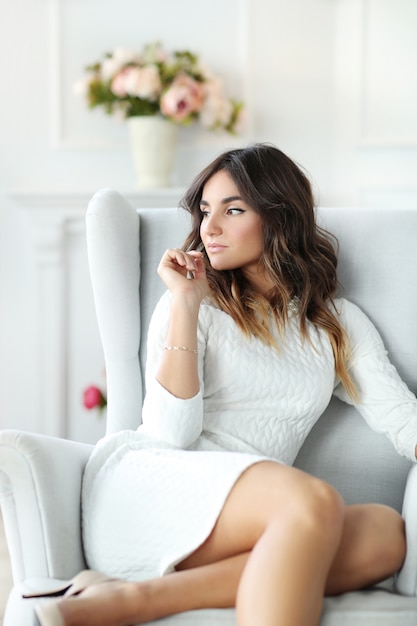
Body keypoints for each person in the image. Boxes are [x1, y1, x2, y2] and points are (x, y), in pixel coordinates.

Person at [35, 144, 417, 626]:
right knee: (310, 500)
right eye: (204, 211)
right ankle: (131, 596)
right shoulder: (191, 303)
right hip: (151, 489)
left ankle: (135, 599)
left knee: (385, 533)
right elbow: (170, 434)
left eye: (232, 210)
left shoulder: (335, 324)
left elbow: (402, 418)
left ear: (279, 217)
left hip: (249, 520)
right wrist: (186, 304)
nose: (209, 228)